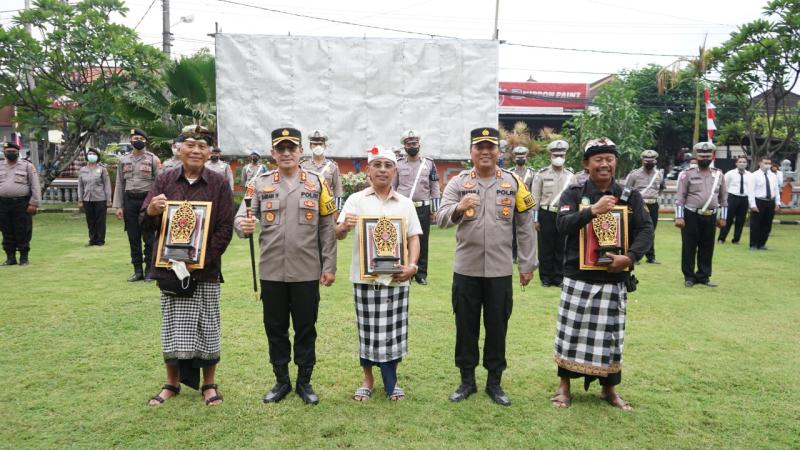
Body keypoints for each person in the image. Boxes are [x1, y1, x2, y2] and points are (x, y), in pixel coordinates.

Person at [234, 127, 337, 405]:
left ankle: (304, 382)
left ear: (301, 151)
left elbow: (327, 228)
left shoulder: (317, 183)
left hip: (307, 270)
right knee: (275, 327)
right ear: (273, 153)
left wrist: (329, 265)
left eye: (292, 147)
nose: (287, 153)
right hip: (272, 271)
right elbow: (242, 217)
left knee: (306, 327)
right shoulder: (260, 183)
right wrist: (242, 226)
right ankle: (281, 381)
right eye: (281, 148)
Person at [550, 137, 653, 412]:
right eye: (598, 159)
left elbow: (646, 230)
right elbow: (561, 225)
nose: (604, 164)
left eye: (609, 158)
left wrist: (629, 258)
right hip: (578, 275)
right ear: (586, 164)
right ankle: (564, 388)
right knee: (570, 331)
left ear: (615, 162)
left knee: (611, 335)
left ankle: (609, 389)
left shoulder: (630, 196)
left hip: (614, 277)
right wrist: (592, 211)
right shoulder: (573, 194)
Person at [437, 127, 537, 407]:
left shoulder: (513, 182)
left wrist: (527, 264)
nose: (485, 152)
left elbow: (526, 226)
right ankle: (467, 381)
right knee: (465, 326)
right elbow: (441, 218)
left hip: (500, 271)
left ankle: (495, 383)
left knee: (497, 327)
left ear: (498, 152)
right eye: (479, 147)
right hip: (466, 270)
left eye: (490, 147)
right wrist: (459, 207)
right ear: (471, 152)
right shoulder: (458, 183)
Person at [141, 125, 234, 407]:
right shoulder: (164, 180)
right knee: (172, 326)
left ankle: (209, 384)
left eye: (202, 146)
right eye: (190, 145)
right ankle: (172, 382)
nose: (196, 150)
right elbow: (145, 223)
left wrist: (198, 261)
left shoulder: (218, 183)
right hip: (169, 269)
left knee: (208, 325)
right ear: (178, 149)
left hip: (205, 271)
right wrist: (152, 211)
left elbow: (224, 228)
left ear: (210, 152)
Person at [335, 145, 421, 402]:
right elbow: (338, 233)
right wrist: (343, 227)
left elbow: (414, 237)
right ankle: (368, 379)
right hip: (365, 279)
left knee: (394, 331)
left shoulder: (405, 204)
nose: (382, 170)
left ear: (395, 171)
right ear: (368, 171)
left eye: (388, 165)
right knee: (368, 330)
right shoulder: (356, 200)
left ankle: (392, 381)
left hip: (396, 277)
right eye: (377, 165)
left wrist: (413, 266)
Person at [674, 142, 727, 288]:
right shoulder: (687, 174)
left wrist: (723, 217)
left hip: (711, 216)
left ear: (712, 156)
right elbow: (680, 197)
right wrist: (679, 217)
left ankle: (703, 276)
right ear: (696, 156)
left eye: (707, 155)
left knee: (707, 247)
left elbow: (723, 198)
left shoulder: (718, 174)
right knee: (689, 246)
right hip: (691, 214)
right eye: (701, 155)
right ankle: (689, 276)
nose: (704, 157)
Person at [393, 130, 441, 285]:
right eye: (408, 144)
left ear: (419, 144)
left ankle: (421, 274)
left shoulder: (428, 163)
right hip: (402, 208)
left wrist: (435, 209)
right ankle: (402, 270)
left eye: (414, 143)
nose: (412, 146)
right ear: (404, 146)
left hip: (422, 208)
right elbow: (393, 187)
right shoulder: (398, 164)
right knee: (400, 239)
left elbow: (434, 187)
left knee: (422, 240)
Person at [113, 129, 161, 281]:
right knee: (133, 237)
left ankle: (149, 271)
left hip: (147, 201)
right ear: (130, 140)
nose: (137, 140)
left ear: (145, 140)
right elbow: (120, 183)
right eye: (135, 138)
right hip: (130, 201)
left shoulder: (153, 159)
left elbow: (158, 184)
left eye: (140, 138)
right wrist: (118, 206)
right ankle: (137, 270)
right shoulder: (123, 160)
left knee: (148, 237)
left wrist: (156, 205)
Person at [532, 140, 573, 286]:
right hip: (546, 214)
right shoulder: (541, 174)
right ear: (550, 155)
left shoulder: (570, 175)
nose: (558, 157)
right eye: (556, 154)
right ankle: (546, 278)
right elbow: (535, 198)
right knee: (545, 248)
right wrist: (535, 219)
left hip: (564, 214)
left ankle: (559, 277)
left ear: (565, 155)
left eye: (561, 154)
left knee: (561, 247)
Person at [0, 142, 40, 266]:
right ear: (4, 152)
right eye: (8, 151)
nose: (10, 153)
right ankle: (10, 257)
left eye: (13, 151)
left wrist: (34, 203)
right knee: (6, 231)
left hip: (21, 203)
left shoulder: (27, 166)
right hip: (3, 204)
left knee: (22, 230)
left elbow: (35, 185)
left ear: (18, 152)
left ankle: (24, 257)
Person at [622, 149, 665, 263]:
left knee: (651, 230)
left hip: (653, 205)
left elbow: (661, 188)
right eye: (647, 161)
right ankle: (634, 255)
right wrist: (625, 205)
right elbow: (626, 190)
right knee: (636, 230)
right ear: (642, 161)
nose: (649, 163)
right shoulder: (634, 174)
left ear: (655, 161)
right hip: (639, 205)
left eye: (652, 161)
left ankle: (651, 257)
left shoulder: (659, 174)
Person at [300, 130, 344, 210]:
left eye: (320, 144)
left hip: (327, 206)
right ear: (310, 146)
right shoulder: (303, 165)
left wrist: (337, 210)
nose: (317, 147)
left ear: (325, 146)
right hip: (307, 205)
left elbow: (338, 189)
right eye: (315, 144)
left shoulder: (332, 166)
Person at [77, 148, 112, 246]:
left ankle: (100, 240)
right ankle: (92, 239)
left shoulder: (102, 169)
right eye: (89, 154)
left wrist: (108, 199)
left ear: (97, 156)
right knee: (90, 220)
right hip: (87, 199)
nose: (91, 155)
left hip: (100, 198)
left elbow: (107, 185)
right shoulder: (83, 170)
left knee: (100, 220)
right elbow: (80, 186)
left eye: (93, 154)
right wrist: (80, 199)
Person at [748, 157, 780, 250]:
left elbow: (776, 190)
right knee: (755, 224)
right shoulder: (754, 175)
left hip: (770, 202)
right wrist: (753, 205)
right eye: (765, 163)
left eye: (769, 163)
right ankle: (753, 244)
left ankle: (761, 244)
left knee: (767, 225)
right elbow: (751, 191)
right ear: (760, 163)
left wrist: (777, 203)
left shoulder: (773, 175)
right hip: (759, 201)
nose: (767, 165)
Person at [718, 156, 752, 244]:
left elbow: (751, 188)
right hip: (732, 197)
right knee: (727, 219)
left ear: (747, 164)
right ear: (736, 163)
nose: (742, 163)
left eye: (744, 162)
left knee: (740, 220)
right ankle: (721, 238)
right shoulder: (730, 173)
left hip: (744, 198)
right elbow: (724, 186)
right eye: (740, 161)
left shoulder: (749, 175)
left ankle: (736, 239)